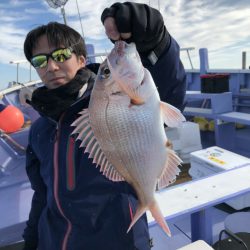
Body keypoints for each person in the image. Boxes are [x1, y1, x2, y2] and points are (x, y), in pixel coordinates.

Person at [22, 2, 186, 250]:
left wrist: (156, 43)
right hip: (52, 241)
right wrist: (32, 239)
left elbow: (168, 89)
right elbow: (41, 193)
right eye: (40, 60)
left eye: (60, 55)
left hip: (118, 240)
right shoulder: (39, 129)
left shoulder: (102, 101)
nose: (51, 66)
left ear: (81, 59)